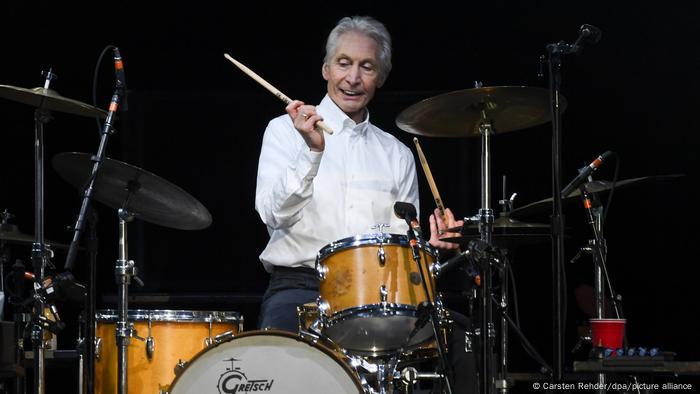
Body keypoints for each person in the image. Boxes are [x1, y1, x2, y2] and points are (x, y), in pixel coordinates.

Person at [254, 16, 476, 393]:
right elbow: (274, 214)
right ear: (326, 69)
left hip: (379, 295)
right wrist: (311, 152)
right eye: (343, 63)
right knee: (278, 346)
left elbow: (406, 251)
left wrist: (429, 247)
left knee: (463, 339)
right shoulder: (283, 131)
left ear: (381, 77)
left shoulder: (397, 153)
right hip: (303, 287)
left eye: (366, 67)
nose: (353, 78)